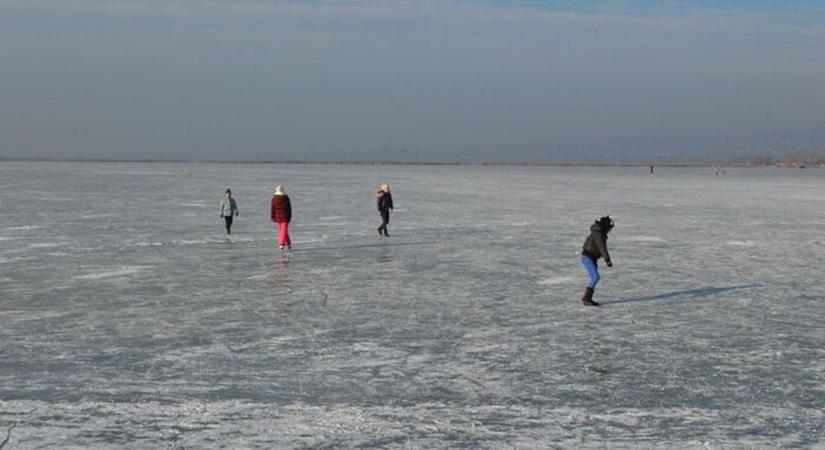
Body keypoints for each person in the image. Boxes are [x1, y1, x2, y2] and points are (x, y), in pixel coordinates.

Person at [580, 216, 614, 306]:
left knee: (594, 277)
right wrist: (607, 260)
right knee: (595, 277)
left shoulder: (599, 233)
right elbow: (602, 248)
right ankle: (586, 298)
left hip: (591, 257)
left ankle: (588, 298)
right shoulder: (598, 234)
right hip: (587, 257)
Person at [271, 185, 292, 250]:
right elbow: (289, 209)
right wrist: (289, 217)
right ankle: (285, 243)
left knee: (283, 230)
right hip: (285, 217)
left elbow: (272, 209)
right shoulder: (286, 199)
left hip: (278, 217)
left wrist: (272, 216)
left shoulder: (273, 199)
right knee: (284, 230)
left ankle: (284, 244)